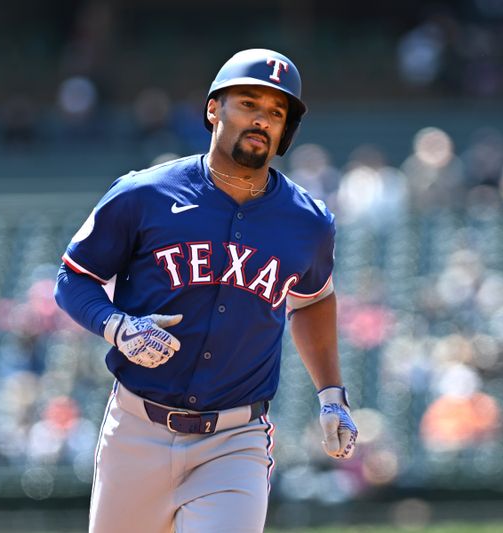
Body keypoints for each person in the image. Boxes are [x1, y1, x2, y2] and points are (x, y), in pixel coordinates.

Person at [54, 48, 358, 533]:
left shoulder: (308, 222)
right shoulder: (144, 193)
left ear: (285, 131)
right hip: (137, 429)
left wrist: (332, 395)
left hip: (235, 440)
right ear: (214, 108)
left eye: (276, 112)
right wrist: (118, 327)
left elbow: (314, 297)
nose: (261, 120)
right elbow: (74, 276)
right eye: (248, 104)